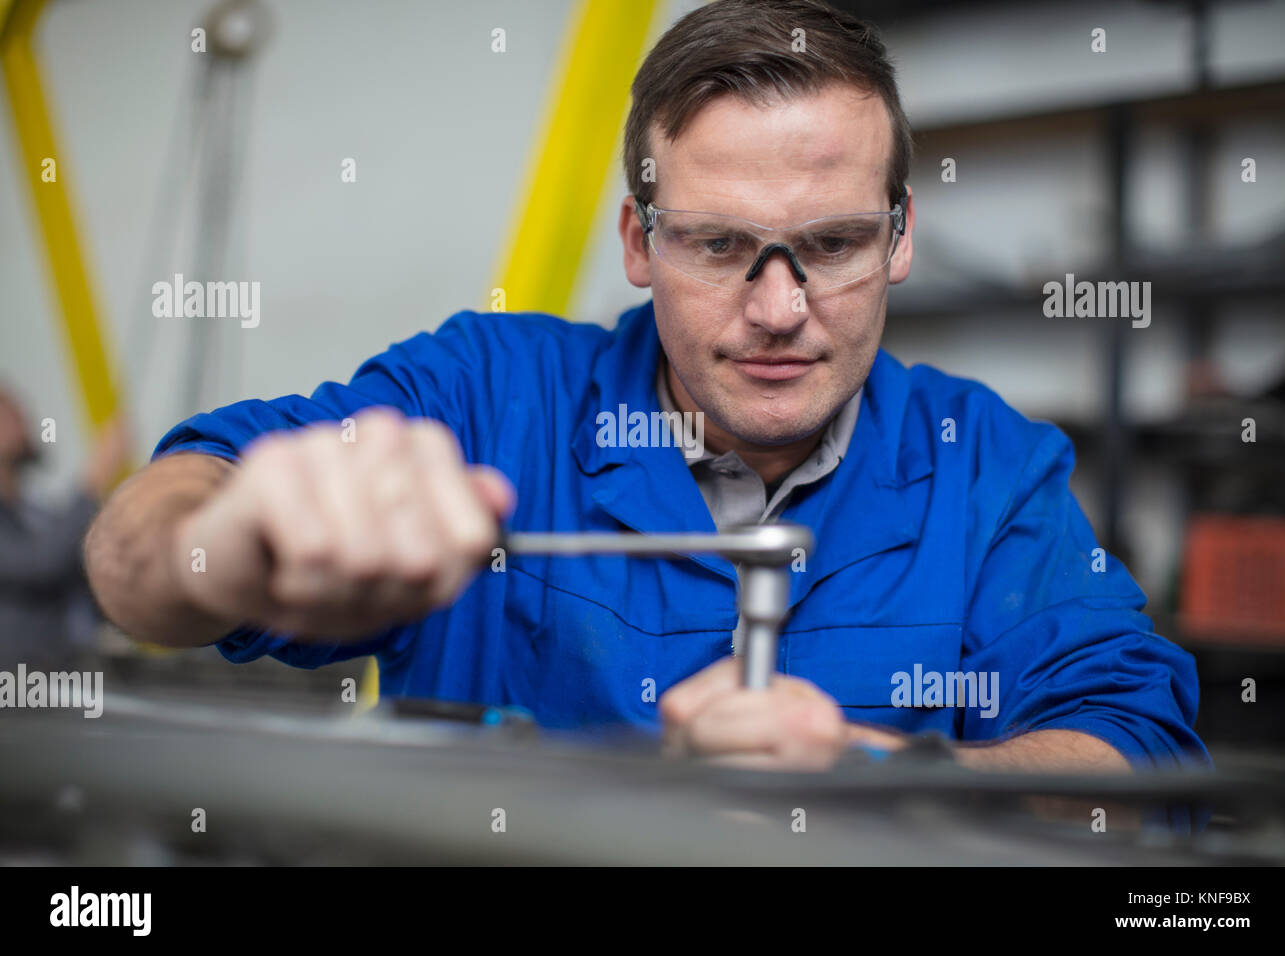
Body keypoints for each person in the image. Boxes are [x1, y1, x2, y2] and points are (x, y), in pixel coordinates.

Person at [84, 0, 1208, 783]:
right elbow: (136, 560)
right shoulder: (491, 395)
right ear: (637, 238)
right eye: (719, 245)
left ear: (901, 235)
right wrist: (234, 545)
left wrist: (881, 770)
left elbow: (1137, 743)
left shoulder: (988, 464)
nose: (777, 308)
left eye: (831, 243)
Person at [0, 385, 129, 668]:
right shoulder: (42, 528)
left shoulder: (38, 514)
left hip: (70, 676)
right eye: (8, 415)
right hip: (20, 692)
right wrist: (92, 481)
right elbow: (41, 562)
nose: (24, 420)